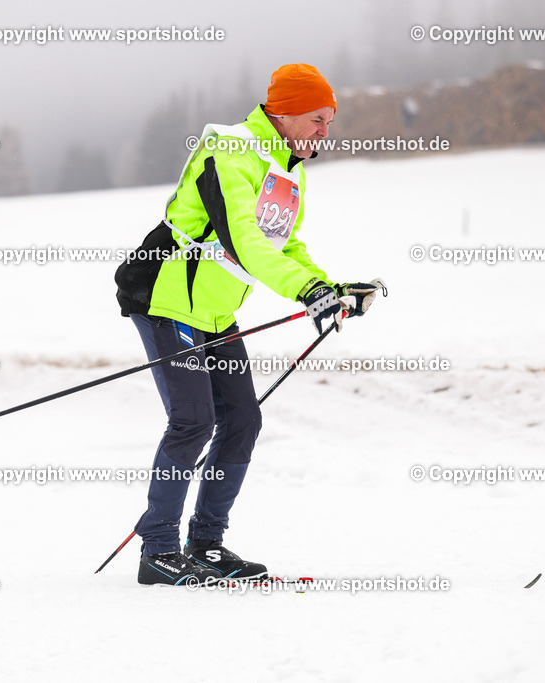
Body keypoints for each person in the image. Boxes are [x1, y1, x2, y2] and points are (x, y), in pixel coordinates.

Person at [114, 63, 383, 586]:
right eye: (316, 119)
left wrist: (330, 288)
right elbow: (246, 240)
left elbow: (286, 246)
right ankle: (159, 551)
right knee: (192, 422)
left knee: (241, 421)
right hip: (166, 299)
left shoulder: (288, 167)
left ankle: (207, 544)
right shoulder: (231, 151)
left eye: (330, 120)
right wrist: (306, 293)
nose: (325, 131)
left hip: (214, 310)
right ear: (283, 114)